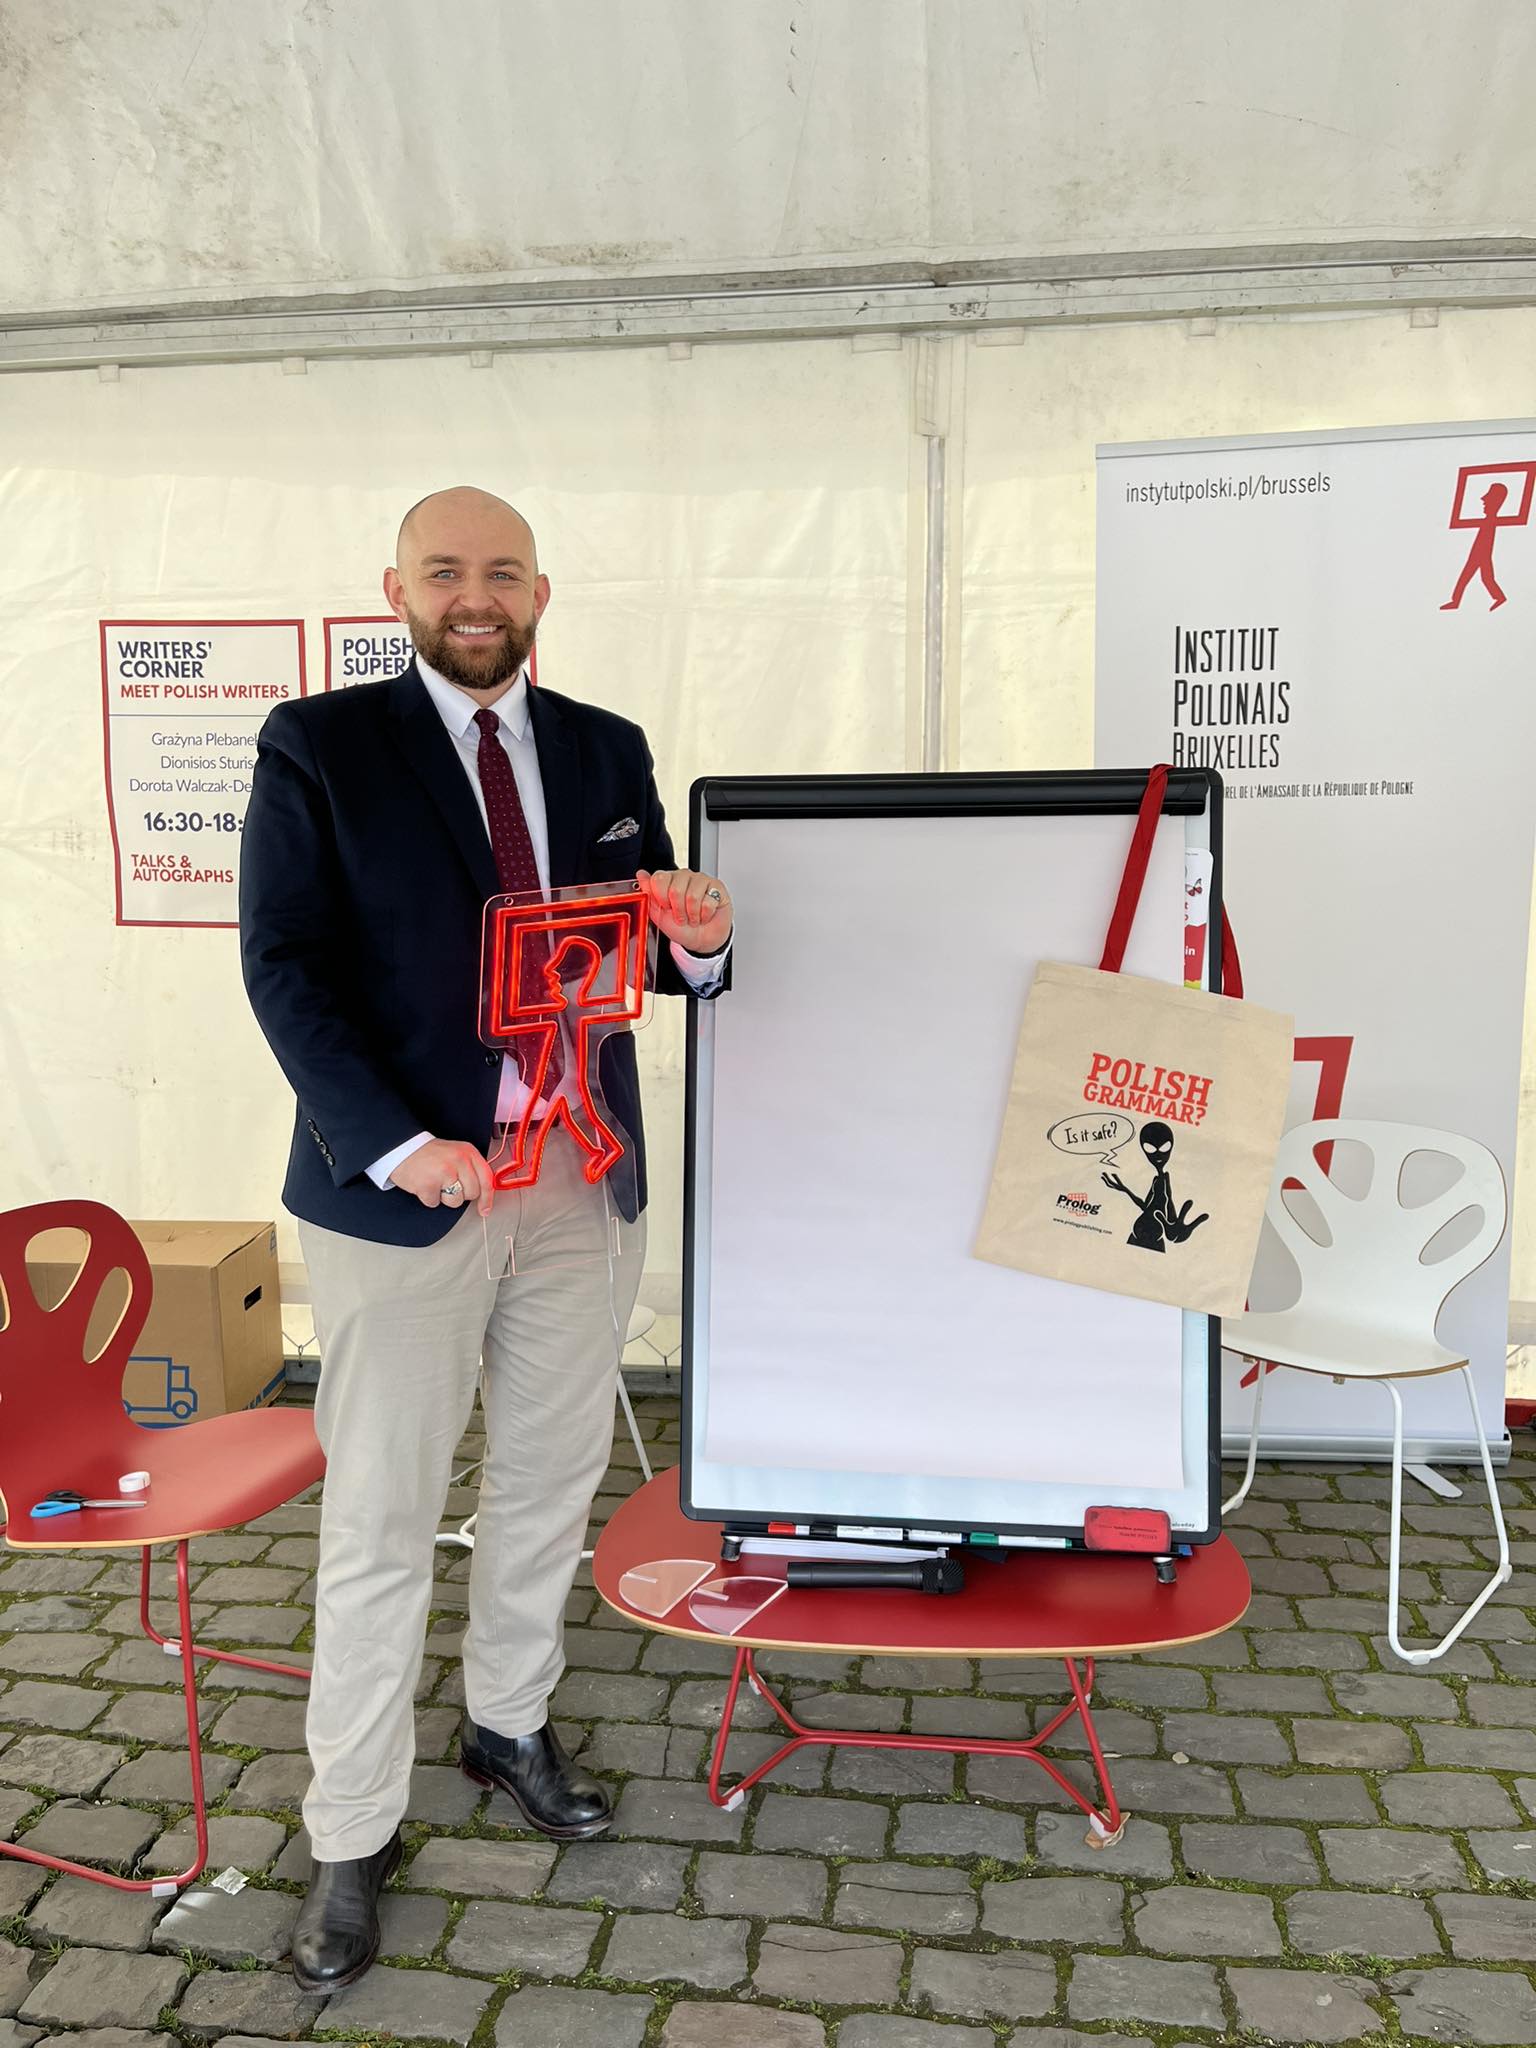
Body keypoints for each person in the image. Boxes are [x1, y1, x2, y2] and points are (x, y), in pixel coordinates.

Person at [239, 487, 732, 1993]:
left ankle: (508, 1722)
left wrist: (701, 939)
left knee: (548, 1479)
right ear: (396, 587)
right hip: (411, 1194)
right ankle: (350, 1827)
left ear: (539, 593)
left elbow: (647, 950)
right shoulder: (319, 744)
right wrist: (398, 1143)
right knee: (382, 1514)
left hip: (579, 1183)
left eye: (501, 572)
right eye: (446, 570)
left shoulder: (604, 747)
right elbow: (286, 965)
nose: (476, 594)